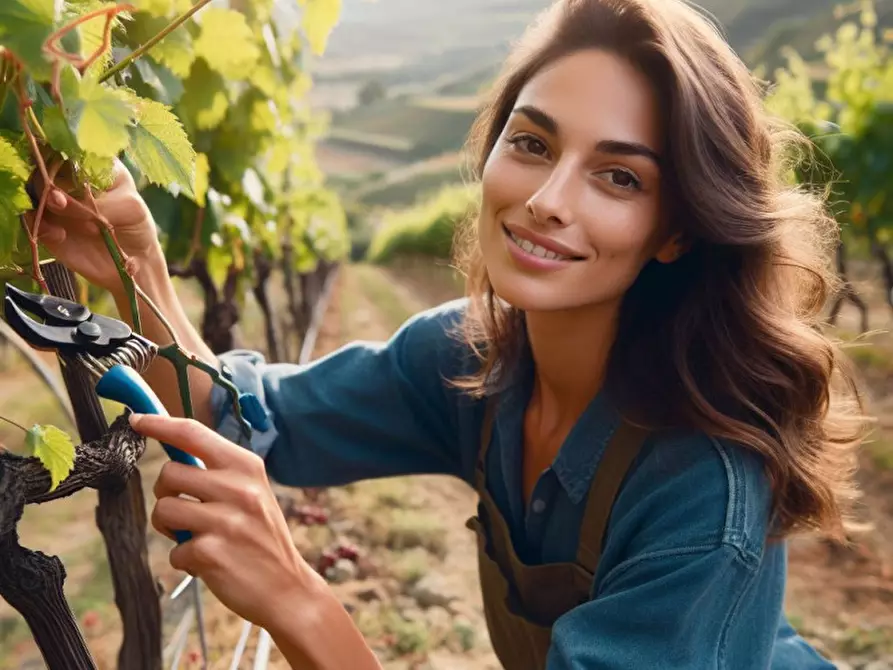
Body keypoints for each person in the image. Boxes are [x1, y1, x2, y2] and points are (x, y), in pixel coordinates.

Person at [34, 0, 869, 667]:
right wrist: (136, 265)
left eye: (618, 177)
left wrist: (299, 600)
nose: (547, 199)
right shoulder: (474, 357)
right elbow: (253, 418)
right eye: (532, 142)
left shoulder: (702, 490)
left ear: (677, 230)